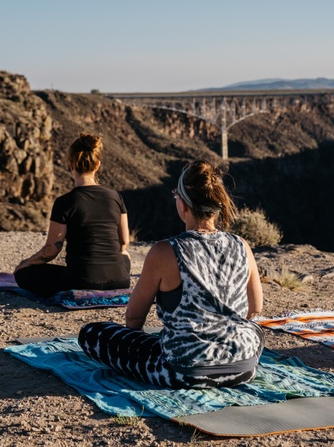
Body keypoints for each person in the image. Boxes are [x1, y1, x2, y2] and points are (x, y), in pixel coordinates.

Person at [79, 160, 264, 389]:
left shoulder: (165, 251)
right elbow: (255, 308)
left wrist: (133, 347)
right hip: (242, 369)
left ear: (184, 205)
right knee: (254, 330)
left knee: (91, 333)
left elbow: (134, 318)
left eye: (176, 195)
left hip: (181, 372)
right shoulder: (241, 245)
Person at [14, 133, 130, 296]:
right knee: (124, 256)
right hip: (120, 280)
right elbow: (124, 241)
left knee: (22, 275)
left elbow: (52, 250)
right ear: (97, 165)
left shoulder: (65, 202)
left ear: (71, 165)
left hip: (81, 281)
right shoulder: (115, 197)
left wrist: (26, 263)